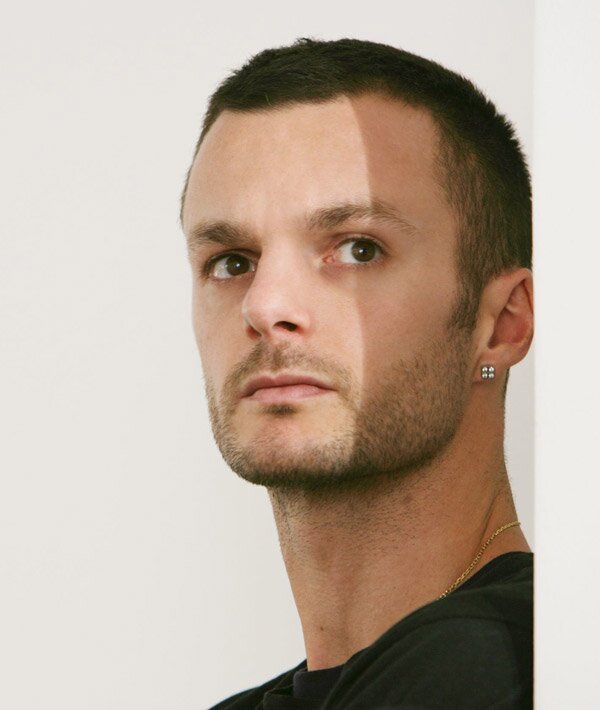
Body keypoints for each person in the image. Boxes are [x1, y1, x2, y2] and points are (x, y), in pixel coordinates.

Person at [180, 37, 533, 709]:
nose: (265, 306)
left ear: (501, 324)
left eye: (358, 249)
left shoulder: (506, 664)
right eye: (231, 261)